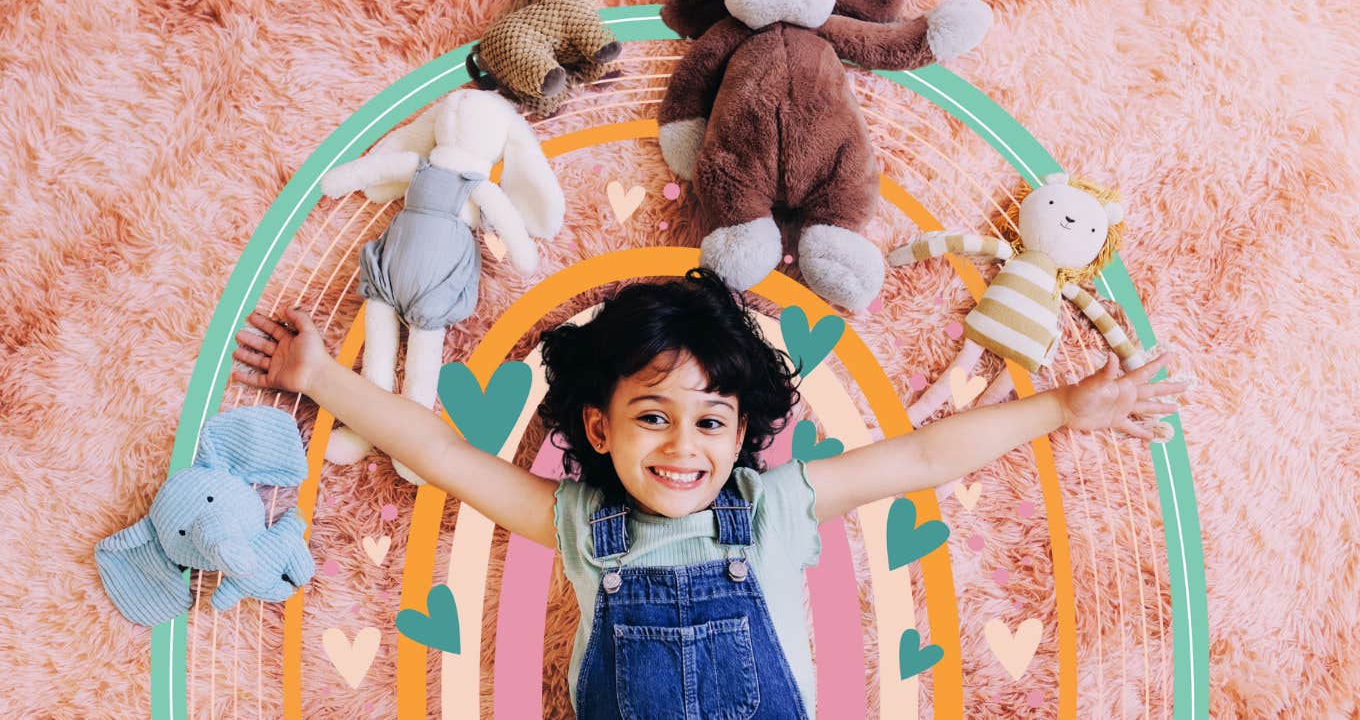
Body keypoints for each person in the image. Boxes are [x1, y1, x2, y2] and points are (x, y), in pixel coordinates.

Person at [232, 268, 1185, 720]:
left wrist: (1065, 403)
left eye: (711, 420)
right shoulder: (578, 523)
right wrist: (321, 376)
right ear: (599, 429)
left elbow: (927, 456)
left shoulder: (775, 506)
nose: (685, 446)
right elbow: (441, 451)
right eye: (654, 416)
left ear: (740, 433)